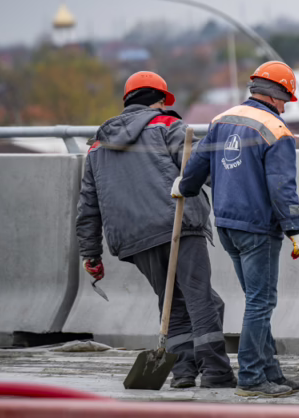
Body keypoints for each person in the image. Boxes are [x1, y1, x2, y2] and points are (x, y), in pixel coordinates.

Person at [77, 71, 235, 390]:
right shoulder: (167, 125)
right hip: (177, 225)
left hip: (134, 239)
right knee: (199, 298)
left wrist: (90, 253)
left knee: (171, 302)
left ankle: (183, 372)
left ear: (128, 102)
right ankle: (216, 370)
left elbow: (88, 207)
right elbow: (199, 169)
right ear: (161, 100)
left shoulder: (97, 147)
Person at [177, 61, 299, 398]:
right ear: (277, 95)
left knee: (255, 300)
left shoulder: (222, 120)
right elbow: (282, 187)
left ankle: (271, 372)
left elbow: (196, 168)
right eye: (285, 101)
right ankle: (251, 377)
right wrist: (295, 229)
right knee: (261, 303)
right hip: (258, 228)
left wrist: (184, 187)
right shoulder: (276, 130)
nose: (285, 108)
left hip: (227, 225)